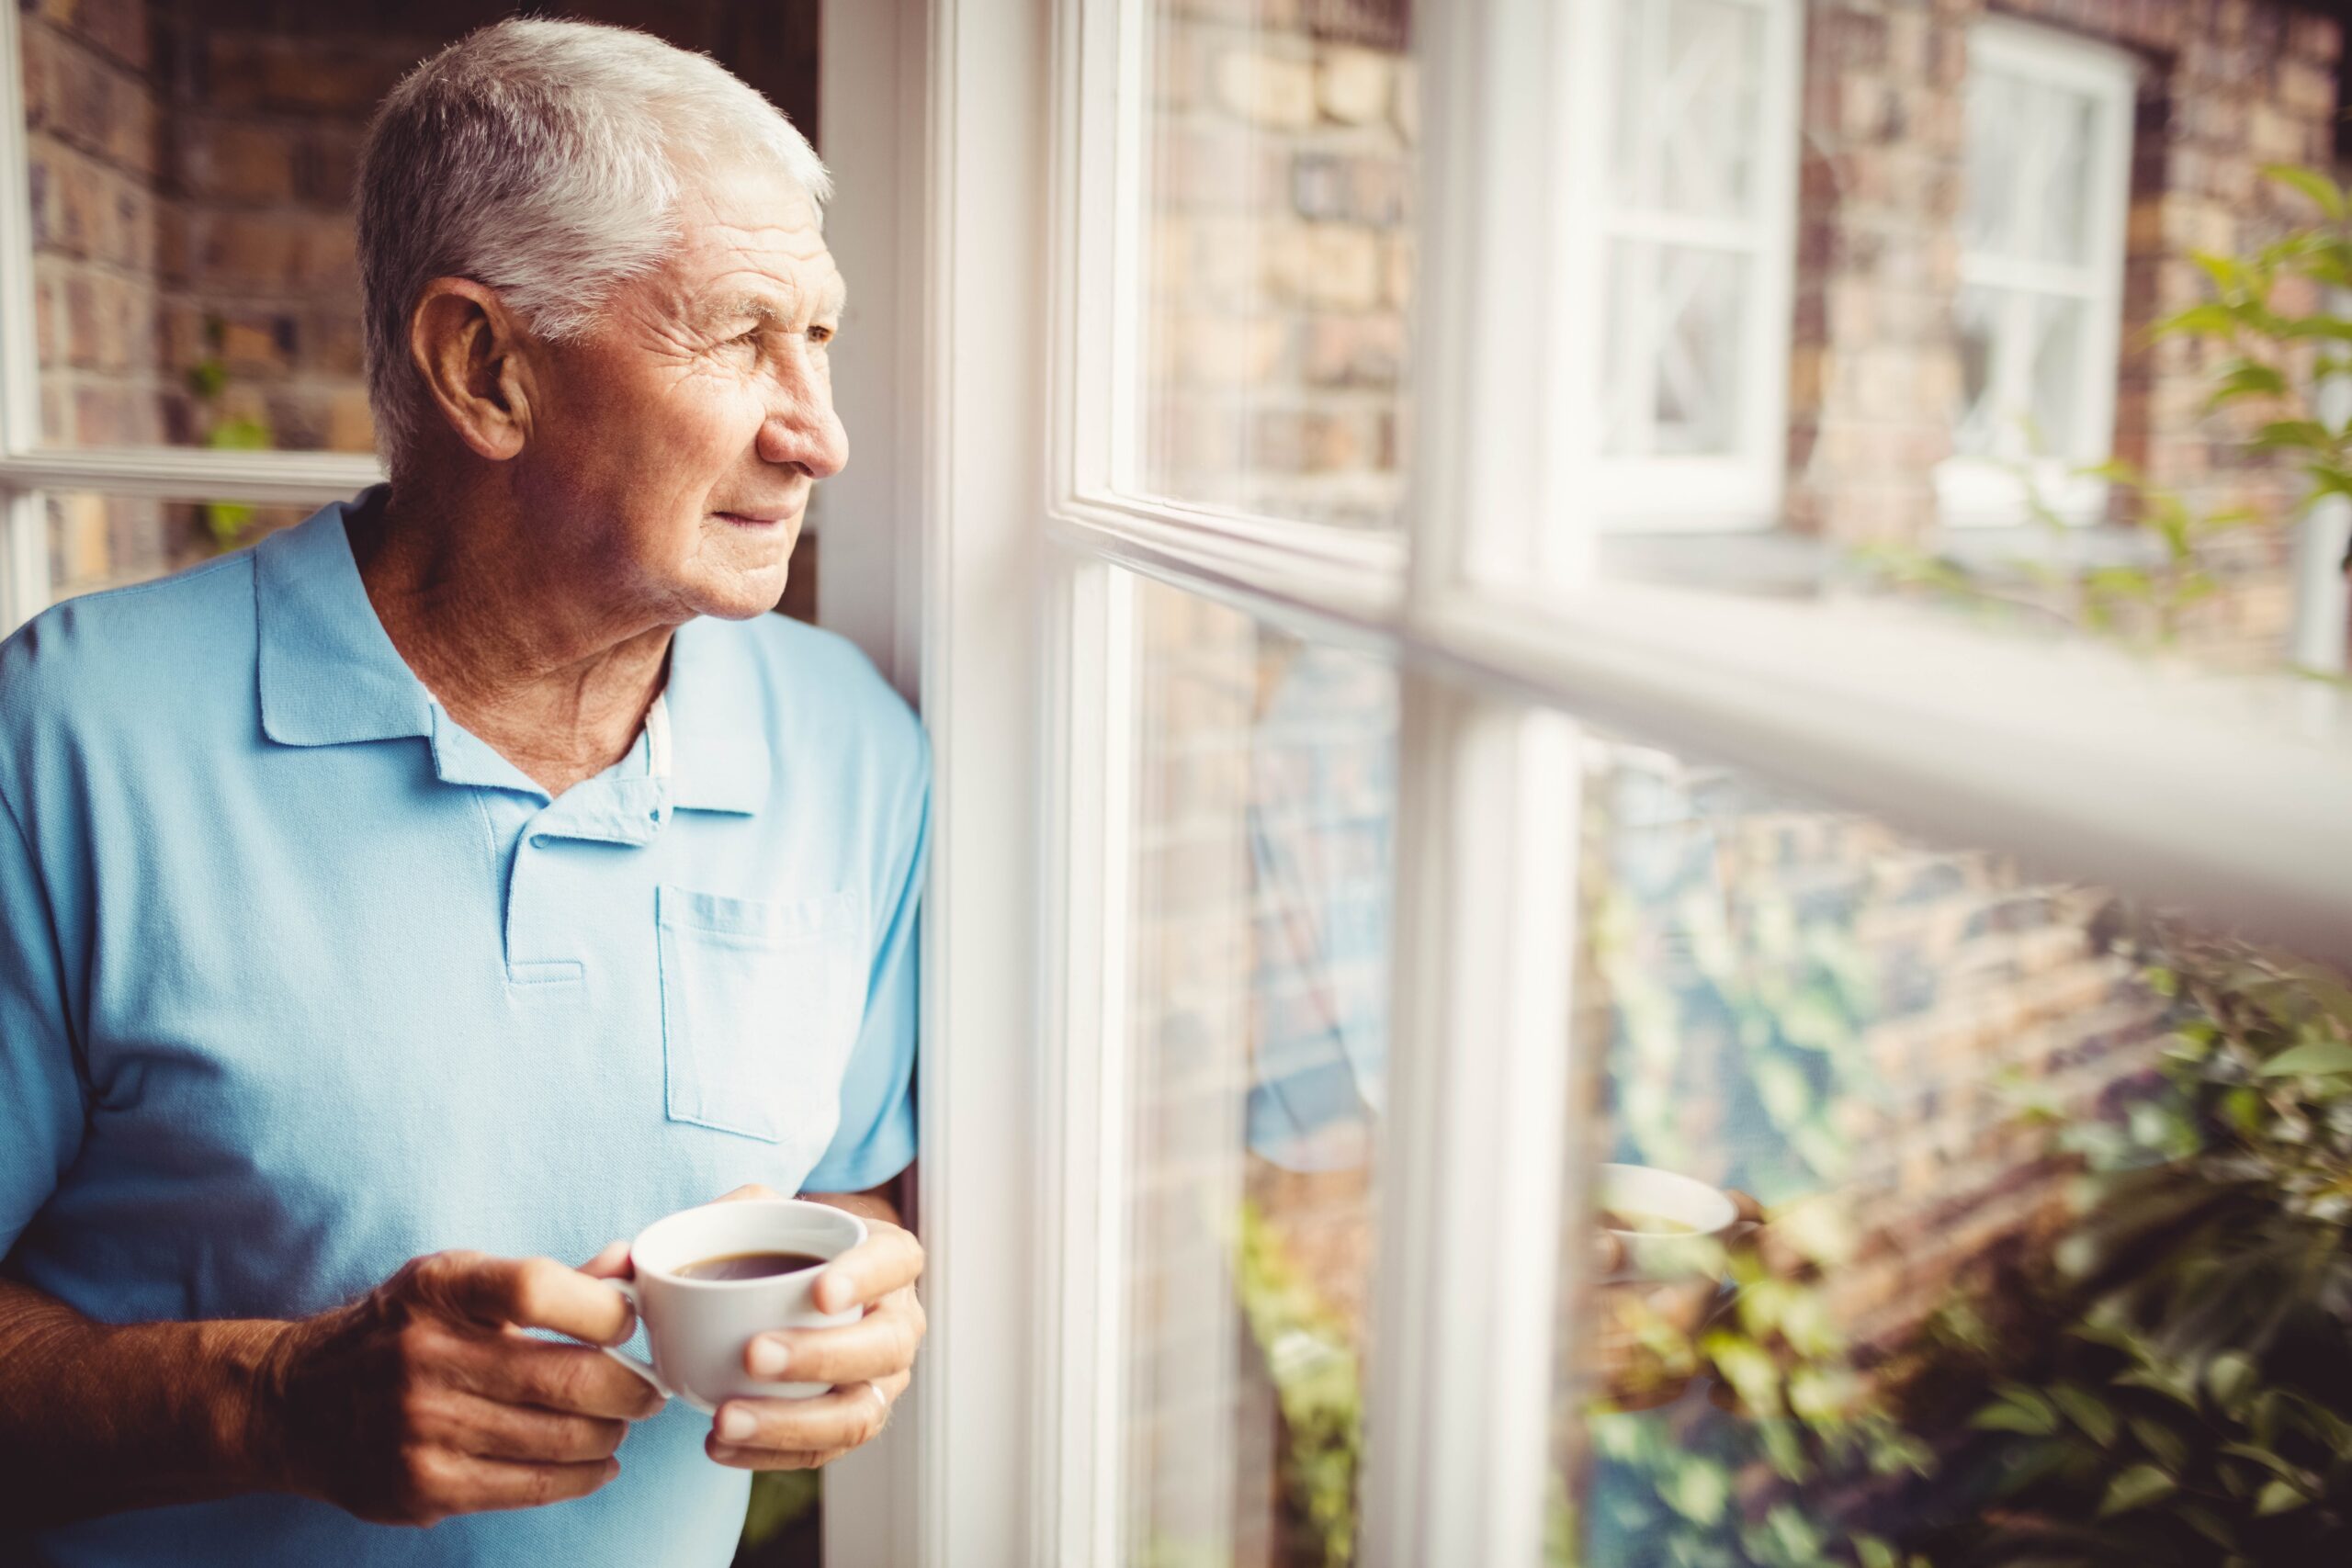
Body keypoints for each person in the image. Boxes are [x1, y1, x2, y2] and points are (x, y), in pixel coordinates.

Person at [0, 19, 928, 1565]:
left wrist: (863, 1317)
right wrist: (272, 1404)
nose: (818, 433)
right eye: (739, 335)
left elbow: (854, 1198)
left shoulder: (852, 746)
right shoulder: (67, 736)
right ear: (484, 367)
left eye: (819, 338)